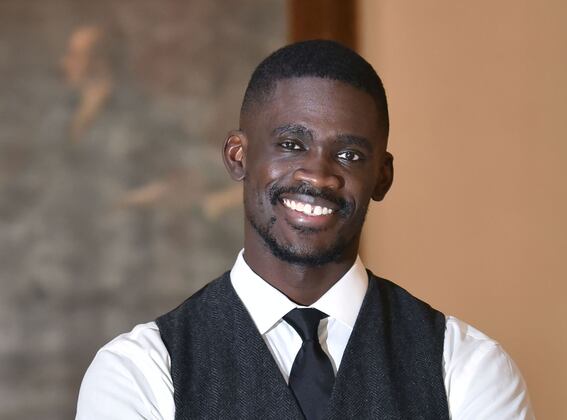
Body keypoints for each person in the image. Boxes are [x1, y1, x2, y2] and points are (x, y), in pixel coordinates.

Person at [76, 40, 535, 419]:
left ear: (383, 176)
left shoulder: (467, 367)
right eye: (291, 144)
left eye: (350, 155)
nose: (318, 176)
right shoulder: (140, 371)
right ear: (238, 156)